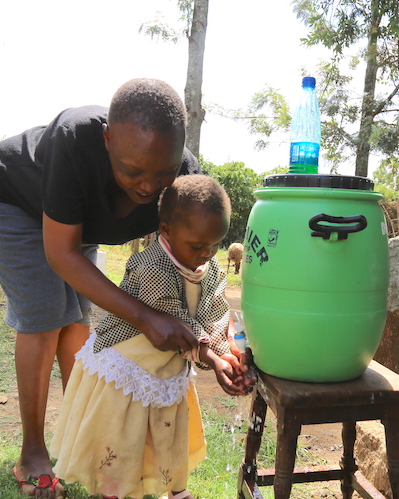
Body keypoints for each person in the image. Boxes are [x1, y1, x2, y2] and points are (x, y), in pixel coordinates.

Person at [0, 78, 209, 499]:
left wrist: (213, 340)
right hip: (11, 199)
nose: (149, 187)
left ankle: (83, 438)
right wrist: (146, 317)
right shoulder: (76, 138)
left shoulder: (186, 180)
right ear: (107, 140)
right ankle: (32, 453)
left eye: (162, 174)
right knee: (46, 317)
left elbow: (184, 268)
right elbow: (62, 254)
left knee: (79, 326)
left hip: (74, 223)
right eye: (132, 170)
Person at [50, 174, 251, 499]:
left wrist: (225, 352)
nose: (207, 253)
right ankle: (114, 491)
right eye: (198, 245)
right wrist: (212, 358)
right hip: (128, 366)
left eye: (216, 244)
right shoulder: (153, 265)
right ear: (166, 231)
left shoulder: (210, 266)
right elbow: (175, 322)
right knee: (123, 438)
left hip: (166, 366)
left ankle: (174, 488)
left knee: (165, 431)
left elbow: (214, 313)